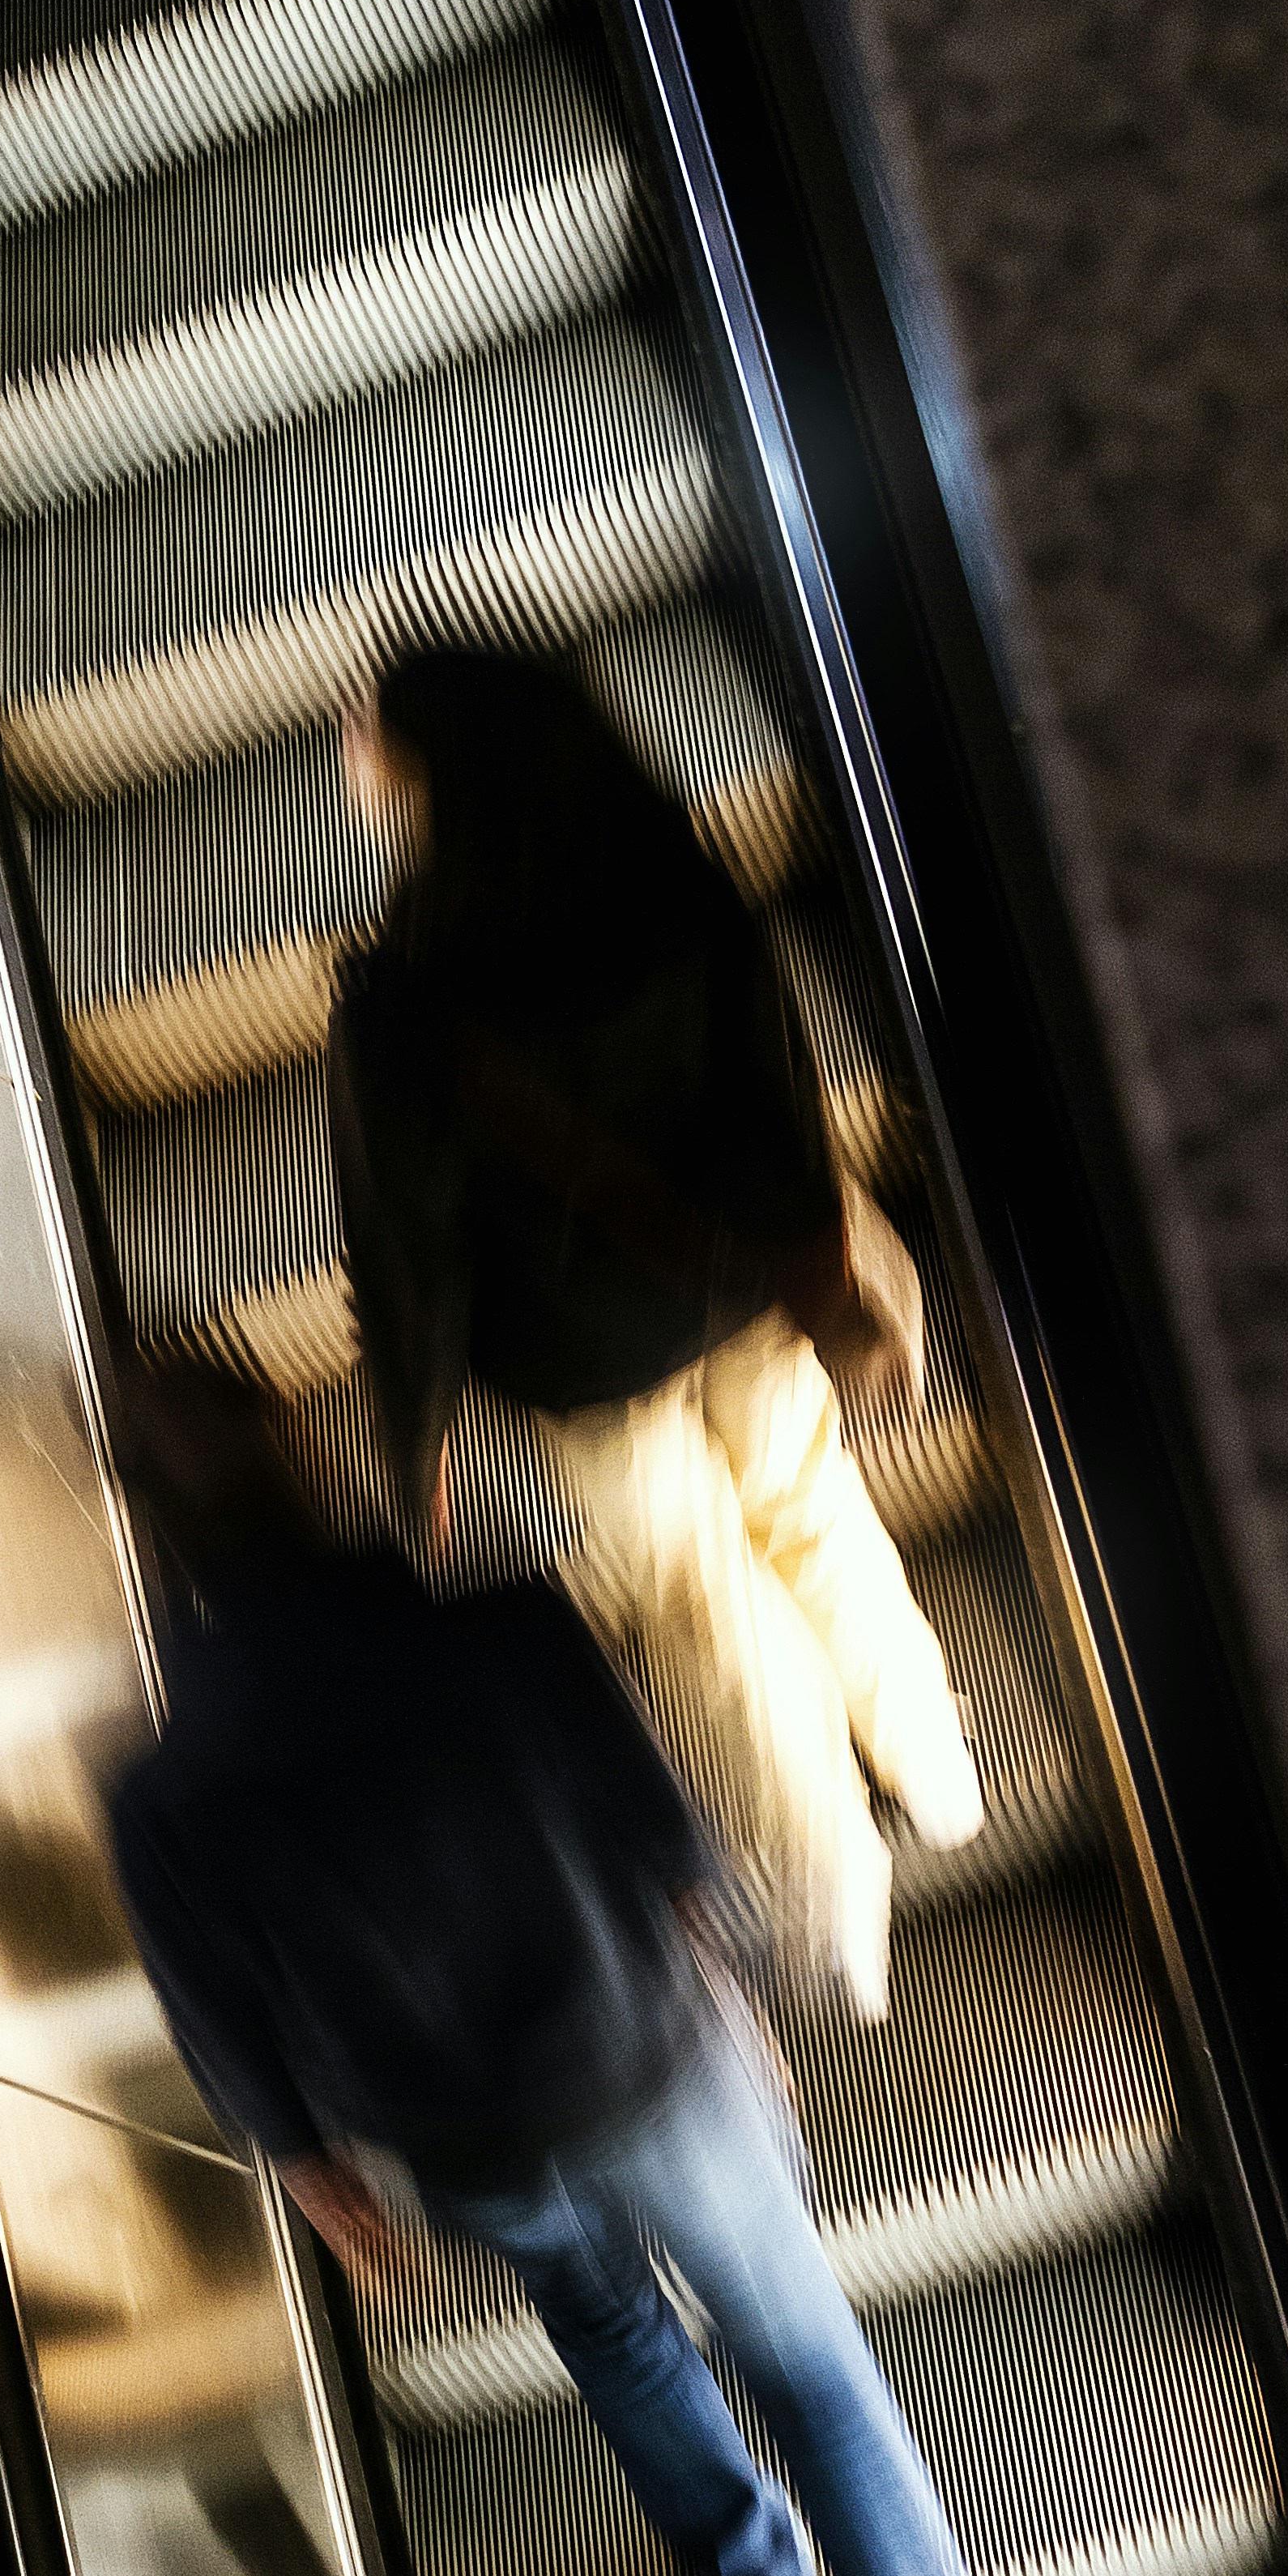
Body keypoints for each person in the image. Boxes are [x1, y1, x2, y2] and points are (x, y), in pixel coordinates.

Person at [100, 1364, 1090, 2576]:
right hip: (643, 2053)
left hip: (462, 2137)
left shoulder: (161, 1796)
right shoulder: (501, 1629)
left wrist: (305, 2160)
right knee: (811, 2366)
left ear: (157, 1551)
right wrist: (736, 1988)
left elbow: (214, 2007)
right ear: (313, 1481)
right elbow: (664, 1832)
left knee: (615, 2339)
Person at [327, 637, 982, 2022]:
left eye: (371, 737)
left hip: (582, 1364)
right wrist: (816, 1261)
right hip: (738, 1291)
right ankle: (933, 1759)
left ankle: (834, 1893)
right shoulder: (670, 879)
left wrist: (418, 1436)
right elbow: (780, 1090)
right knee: (811, 1508)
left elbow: (409, 1247)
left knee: (704, 1600)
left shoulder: (402, 1001)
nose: (353, 753)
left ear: (431, 780)